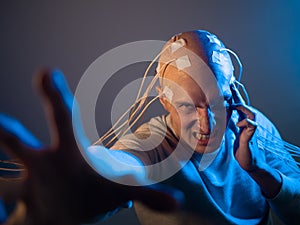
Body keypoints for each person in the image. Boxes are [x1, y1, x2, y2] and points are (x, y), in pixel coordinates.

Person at [0, 30, 299, 225]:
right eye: (187, 107)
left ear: (232, 93)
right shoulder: (153, 144)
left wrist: (264, 175)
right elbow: (124, 163)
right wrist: (89, 174)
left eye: (218, 103)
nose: (208, 124)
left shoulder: (254, 129)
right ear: (164, 101)